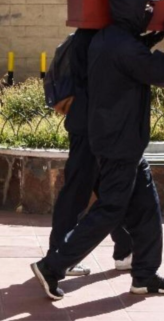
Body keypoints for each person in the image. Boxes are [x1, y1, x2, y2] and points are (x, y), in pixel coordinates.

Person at [32, 0, 164, 300]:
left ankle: (145, 274)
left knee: (147, 208)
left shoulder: (107, 39)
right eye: (146, 6)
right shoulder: (124, 47)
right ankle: (53, 266)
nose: (151, 10)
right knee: (110, 210)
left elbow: (126, 60)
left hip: (120, 140)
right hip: (120, 144)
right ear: (132, 9)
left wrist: (147, 41)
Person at [47, 27, 136, 278]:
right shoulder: (96, 38)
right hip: (90, 126)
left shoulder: (87, 35)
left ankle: (125, 249)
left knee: (104, 190)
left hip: (88, 125)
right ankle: (59, 255)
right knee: (78, 190)